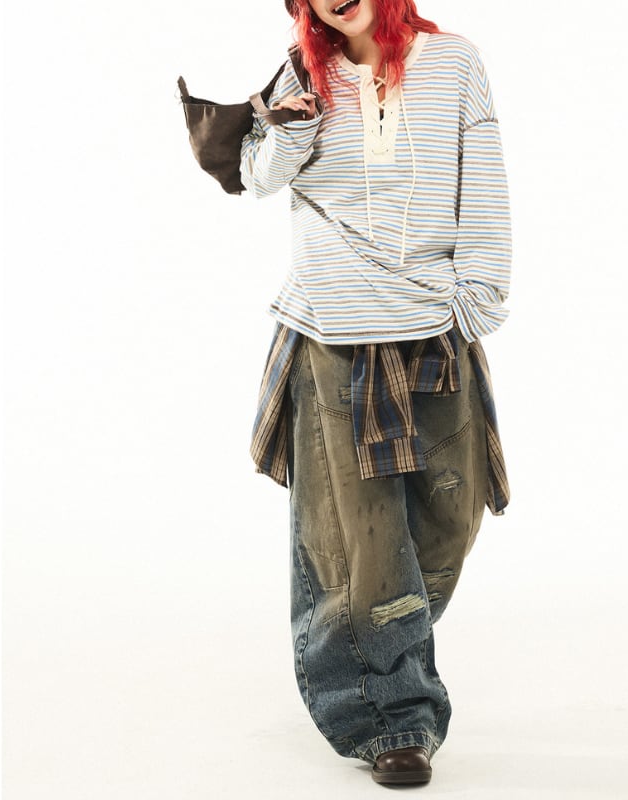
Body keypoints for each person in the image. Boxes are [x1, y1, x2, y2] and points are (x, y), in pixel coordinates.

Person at [242, 0, 512, 786]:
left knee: (447, 522)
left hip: (431, 326)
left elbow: (483, 181)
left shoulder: (454, 63)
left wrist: (477, 301)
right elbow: (257, 176)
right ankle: (389, 715)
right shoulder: (303, 72)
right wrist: (290, 129)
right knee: (358, 544)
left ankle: (378, 648)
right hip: (332, 334)